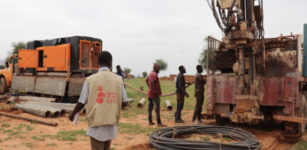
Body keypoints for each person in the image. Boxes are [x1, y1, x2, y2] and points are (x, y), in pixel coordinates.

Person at [69, 51, 128, 150]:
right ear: (110, 63)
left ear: (97, 62)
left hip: (96, 123)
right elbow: (125, 102)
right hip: (111, 122)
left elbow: (81, 102)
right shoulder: (119, 80)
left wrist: (72, 114)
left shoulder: (90, 80)